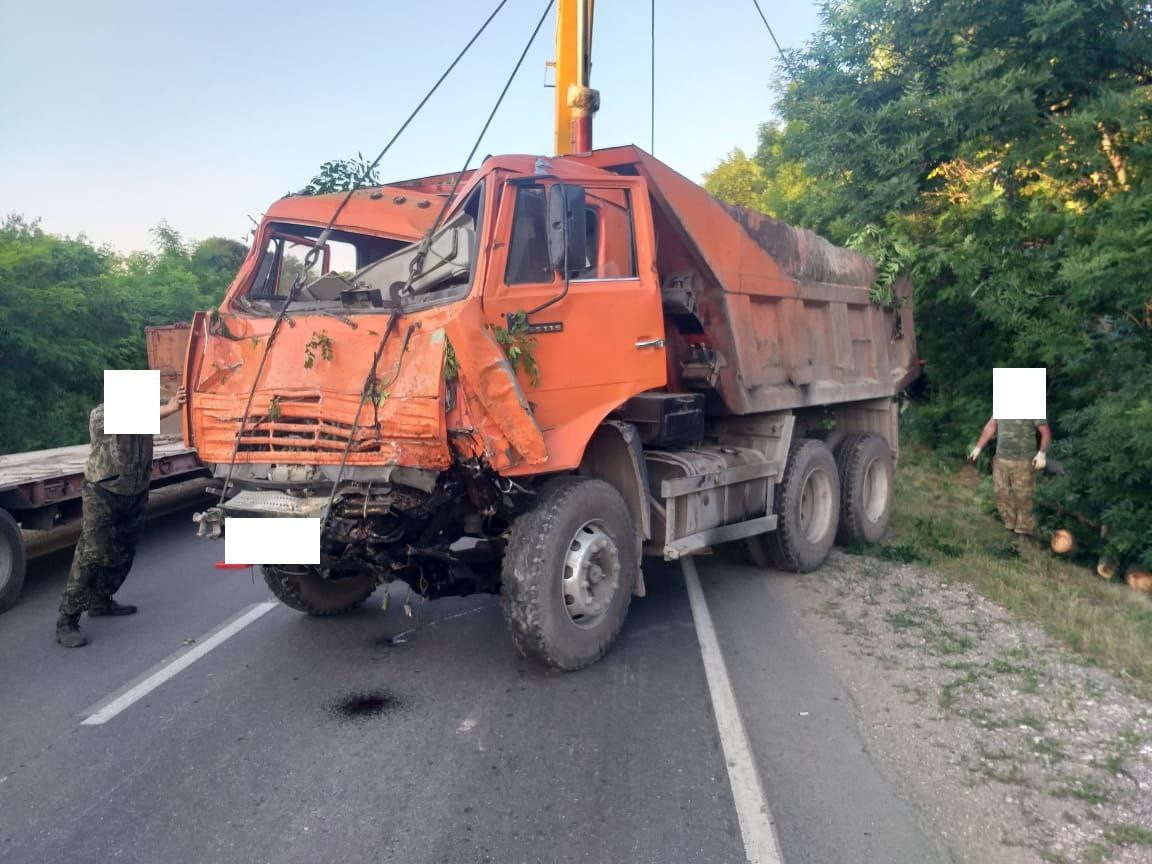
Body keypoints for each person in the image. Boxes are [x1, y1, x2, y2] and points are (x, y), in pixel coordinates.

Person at [55, 387, 186, 647]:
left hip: (134, 491)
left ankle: (101, 600)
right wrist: (169, 408)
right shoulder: (101, 415)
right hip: (103, 491)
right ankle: (67, 620)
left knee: (123, 549)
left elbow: (164, 401)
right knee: (92, 553)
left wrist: (180, 396)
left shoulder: (143, 407)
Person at [967, 417, 1051, 537]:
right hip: (1001, 459)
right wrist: (978, 447)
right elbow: (991, 426)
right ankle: (1010, 525)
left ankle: (1024, 531)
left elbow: (1046, 433)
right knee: (1001, 493)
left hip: (1024, 461)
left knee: (1024, 496)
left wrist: (1042, 453)